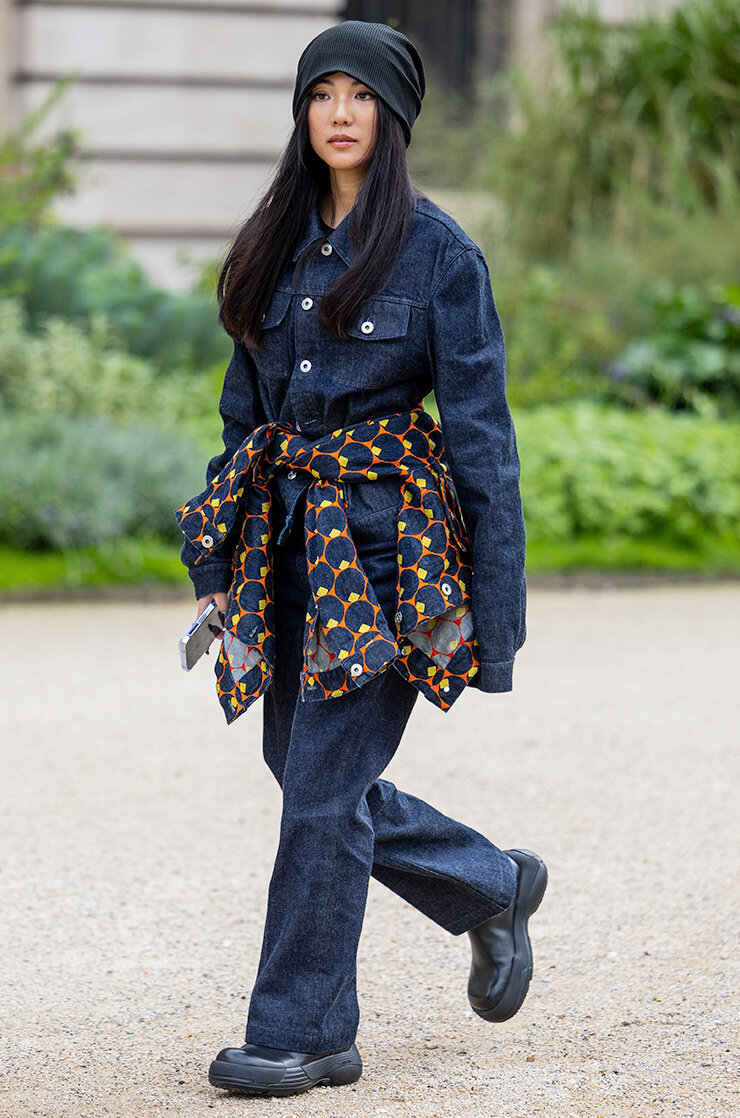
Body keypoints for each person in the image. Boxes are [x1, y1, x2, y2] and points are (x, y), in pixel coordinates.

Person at [176, 19, 547, 1099]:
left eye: (360, 96)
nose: (339, 114)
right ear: (302, 114)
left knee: (319, 795)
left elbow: (483, 446)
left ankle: (301, 1031)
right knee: (310, 783)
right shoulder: (269, 245)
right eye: (320, 94)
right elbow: (242, 422)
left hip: (389, 559)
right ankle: (490, 884)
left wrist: (494, 620)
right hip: (284, 546)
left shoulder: (439, 254)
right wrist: (218, 574)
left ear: (394, 117)